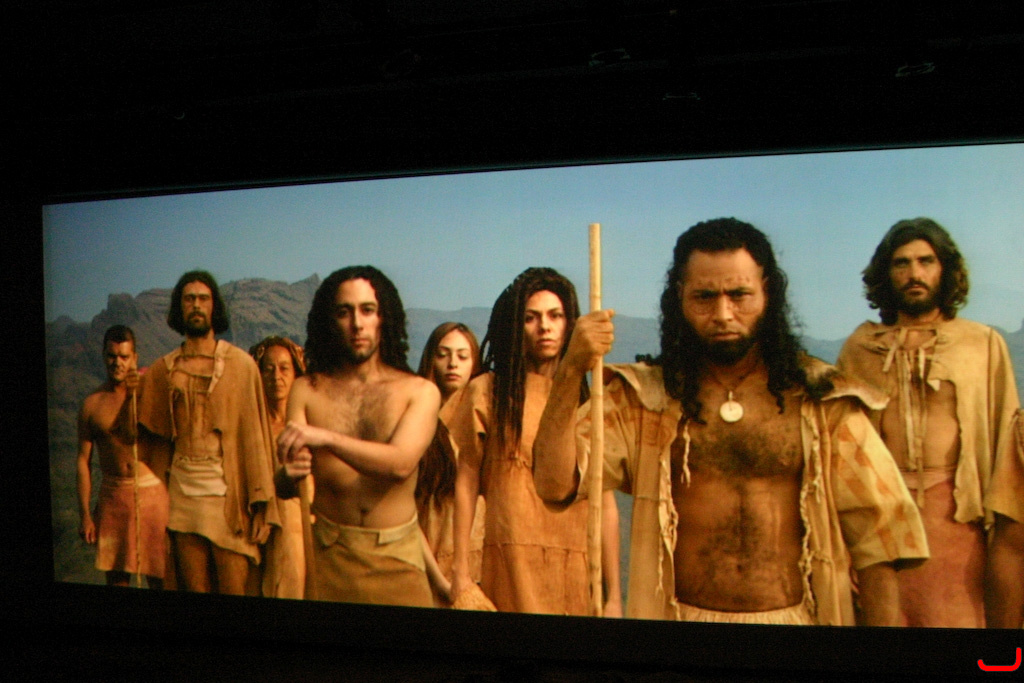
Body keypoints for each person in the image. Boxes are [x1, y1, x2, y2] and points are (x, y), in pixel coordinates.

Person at [534, 218, 929, 625]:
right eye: (704, 297)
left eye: (739, 295)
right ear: (679, 297)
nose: (722, 314)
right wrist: (571, 369)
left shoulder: (820, 399)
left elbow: (878, 540)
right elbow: (554, 483)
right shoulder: (644, 400)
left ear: (767, 292)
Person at [836, 218, 1024, 627]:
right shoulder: (860, 348)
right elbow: (839, 452)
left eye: (926, 261)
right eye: (901, 263)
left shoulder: (982, 344)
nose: (914, 273)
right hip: (878, 525)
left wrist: (1003, 543)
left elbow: (1007, 448)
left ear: (945, 269)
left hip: (958, 523)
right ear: (886, 273)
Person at [449, 267, 621, 616]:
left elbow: (605, 502)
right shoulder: (489, 392)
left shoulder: (589, 402)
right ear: (516, 326)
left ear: (570, 325)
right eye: (532, 318)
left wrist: (614, 595)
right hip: (508, 561)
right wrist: (460, 573)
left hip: (574, 565)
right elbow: (466, 482)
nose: (545, 326)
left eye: (555, 316)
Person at [276, 266, 441, 607]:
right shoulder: (306, 390)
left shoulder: (420, 392)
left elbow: (399, 464)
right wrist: (287, 475)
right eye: (344, 312)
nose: (357, 324)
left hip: (399, 560)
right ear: (329, 321)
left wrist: (326, 438)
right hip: (330, 560)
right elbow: (288, 483)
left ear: (384, 317)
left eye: (368, 310)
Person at [138, 271, 279, 594]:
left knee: (235, 588)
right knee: (194, 590)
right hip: (182, 498)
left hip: (230, 499)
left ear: (214, 306)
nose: (196, 305)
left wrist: (261, 504)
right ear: (179, 307)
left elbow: (255, 439)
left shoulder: (241, 366)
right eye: (189, 299)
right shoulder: (162, 371)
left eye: (203, 298)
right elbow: (148, 442)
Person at [77, 325, 168, 588]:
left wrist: (139, 394)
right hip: (113, 499)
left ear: (134, 358)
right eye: (112, 356)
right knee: (117, 581)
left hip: (153, 498)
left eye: (124, 357)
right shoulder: (92, 404)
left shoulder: (151, 395)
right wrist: (85, 514)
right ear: (103, 356)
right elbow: (83, 461)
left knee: (161, 580)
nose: (117, 362)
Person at [415, 323, 485, 600]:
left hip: (481, 566)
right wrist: (441, 582)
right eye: (443, 354)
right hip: (427, 564)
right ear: (430, 360)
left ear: (475, 363)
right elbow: (406, 514)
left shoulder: (485, 425)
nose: (453, 363)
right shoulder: (417, 423)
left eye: (462, 356)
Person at [250, 336, 310, 599]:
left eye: (284, 368)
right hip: (259, 517)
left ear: (296, 374)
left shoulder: (307, 425)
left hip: (300, 520)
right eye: (269, 369)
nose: (277, 377)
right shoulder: (253, 426)